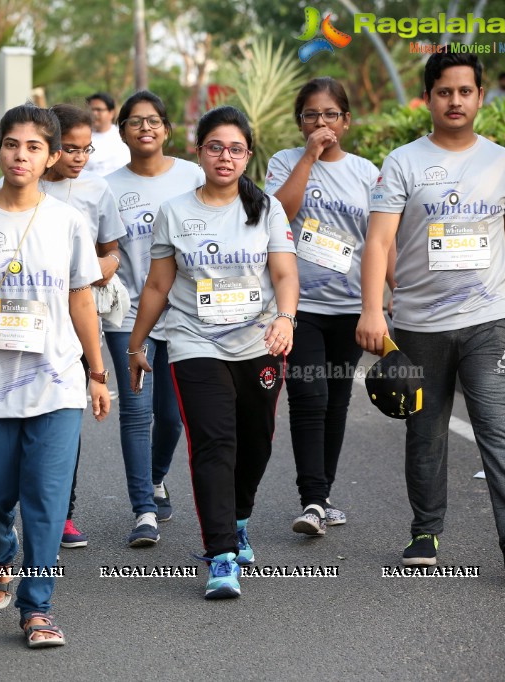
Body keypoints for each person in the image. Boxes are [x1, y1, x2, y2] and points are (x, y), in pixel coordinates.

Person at [0, 103, 110, 649]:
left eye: (35, 147)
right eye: (12, 144)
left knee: (46, 497)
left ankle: (38, 609)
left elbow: (81, 299)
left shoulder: (67, 222)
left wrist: (97, 372)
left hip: (57, 382)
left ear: (51, 157)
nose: (21, 155)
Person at [356, 53, 505, 578]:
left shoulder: (502, 161)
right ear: (428, 98)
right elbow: (379, 240)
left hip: (489, 319)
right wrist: (373, 310)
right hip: (418, 325)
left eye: (464, 91)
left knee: (497, 427)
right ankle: (425, 532)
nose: (454, 101)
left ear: (480, 97)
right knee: (426, 430)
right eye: (444, 92)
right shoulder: (403, 162)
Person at [129, 105, 299, 599]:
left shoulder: (266, 208)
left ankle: (239, 516)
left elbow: (286, 275)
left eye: (236, 148)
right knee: (213, 441)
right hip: (193, 340)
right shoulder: (175, 211)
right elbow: (159, 285)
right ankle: (221, 553)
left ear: (249, 155)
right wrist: (138, 344)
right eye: (215, 147)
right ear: (199, 150)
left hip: (259, 341)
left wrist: (286, 318)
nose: (225, 157)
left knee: (257, 438)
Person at [0, 103, 126, 548]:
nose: (78, 158)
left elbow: (111, 252)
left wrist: (100, 266)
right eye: (70, 148)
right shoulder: (9, 191)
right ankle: (5, 508)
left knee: (58, 424)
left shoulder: (93, 193)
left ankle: (59, 515)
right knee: (14, 430)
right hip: (15, 327)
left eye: (86, 149)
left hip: (71, 320)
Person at [264, 78, 380, 536]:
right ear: (300, 122)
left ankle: (323, 494)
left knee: (335, 400)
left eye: (331, 114)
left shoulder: (367, 173)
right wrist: (309, 157)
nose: (321, 122)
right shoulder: (284, 162)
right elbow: (277, 212)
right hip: (301, 305)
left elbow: (379, 241)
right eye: (311, 115)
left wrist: (390, 299)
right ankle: (311, 500)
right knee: (308, 396)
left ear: (346, 121)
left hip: (351, 307)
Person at [104, 90, 204, 547]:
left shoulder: (193, 175)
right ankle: (143, 507)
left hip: (182, 310)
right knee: (136, 411)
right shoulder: (107, 187)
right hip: (127, 312)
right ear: (121, 130)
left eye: (154, 121)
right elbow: (103, 253)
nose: (145, 128)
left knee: (172, 416)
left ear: (166, 129)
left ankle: (156, 475)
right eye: (135, 121)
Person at [85, 92, 131, 176]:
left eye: (98, 110)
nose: (94, 114)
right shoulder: (82, 138)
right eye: (91, 110)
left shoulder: (125, 135)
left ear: (111, 113)